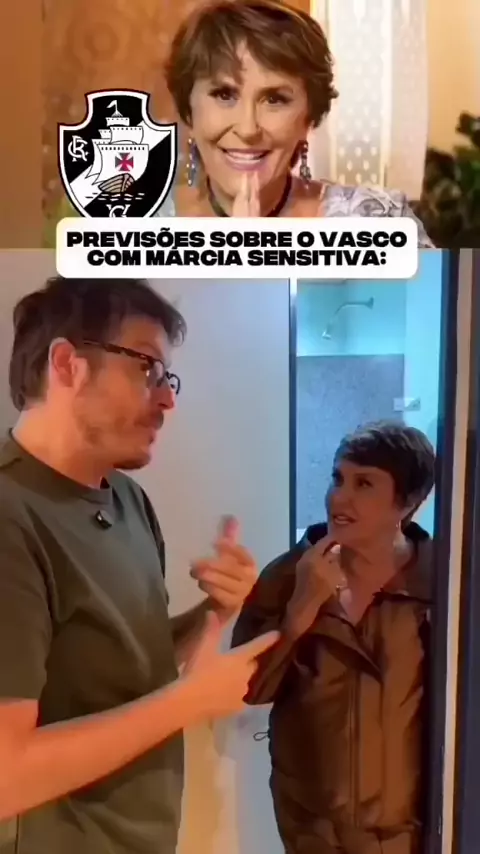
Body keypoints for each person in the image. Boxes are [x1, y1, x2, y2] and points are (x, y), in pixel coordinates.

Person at [0, 275, 279, 854]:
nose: (168, 400)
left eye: (167, 377)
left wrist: (213, 613)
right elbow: (7, 777)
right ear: (68, 365)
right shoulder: (10, 516)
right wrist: (192, 701)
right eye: (147, 368)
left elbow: (128, 666)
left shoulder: (127, 498)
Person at [231, 421, 436, 854]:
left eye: (364, 484)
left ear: (407, 502)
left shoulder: (441, 583)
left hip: (408, 837)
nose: (339, 497)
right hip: (311, 834)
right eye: (337, 478)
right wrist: (298, 613)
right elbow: (248, 689)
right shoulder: (288, 575)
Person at [161, 0, 434, 247]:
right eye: (224, 95)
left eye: (274, 99)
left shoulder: (380, 224)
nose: (247, 129)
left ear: (309, 117)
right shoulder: (143, 221)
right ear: (188, 110)